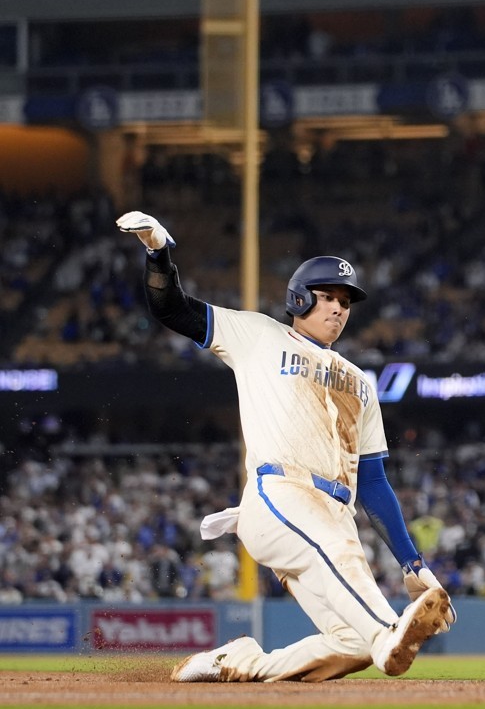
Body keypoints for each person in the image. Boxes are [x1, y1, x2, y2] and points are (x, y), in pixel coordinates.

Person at [116, 211, 456, 682]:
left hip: (333, 512)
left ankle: (236, 663)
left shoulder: (361, 383)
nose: (338, 308)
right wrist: (158, 252)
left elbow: (374, 484)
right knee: (350, 574)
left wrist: (412, 562)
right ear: (298, 297)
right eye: (327, 297)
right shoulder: (258, 335)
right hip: (279, 494)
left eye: (346, 301)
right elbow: (171, 308)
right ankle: (388, 634)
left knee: (349, 645)